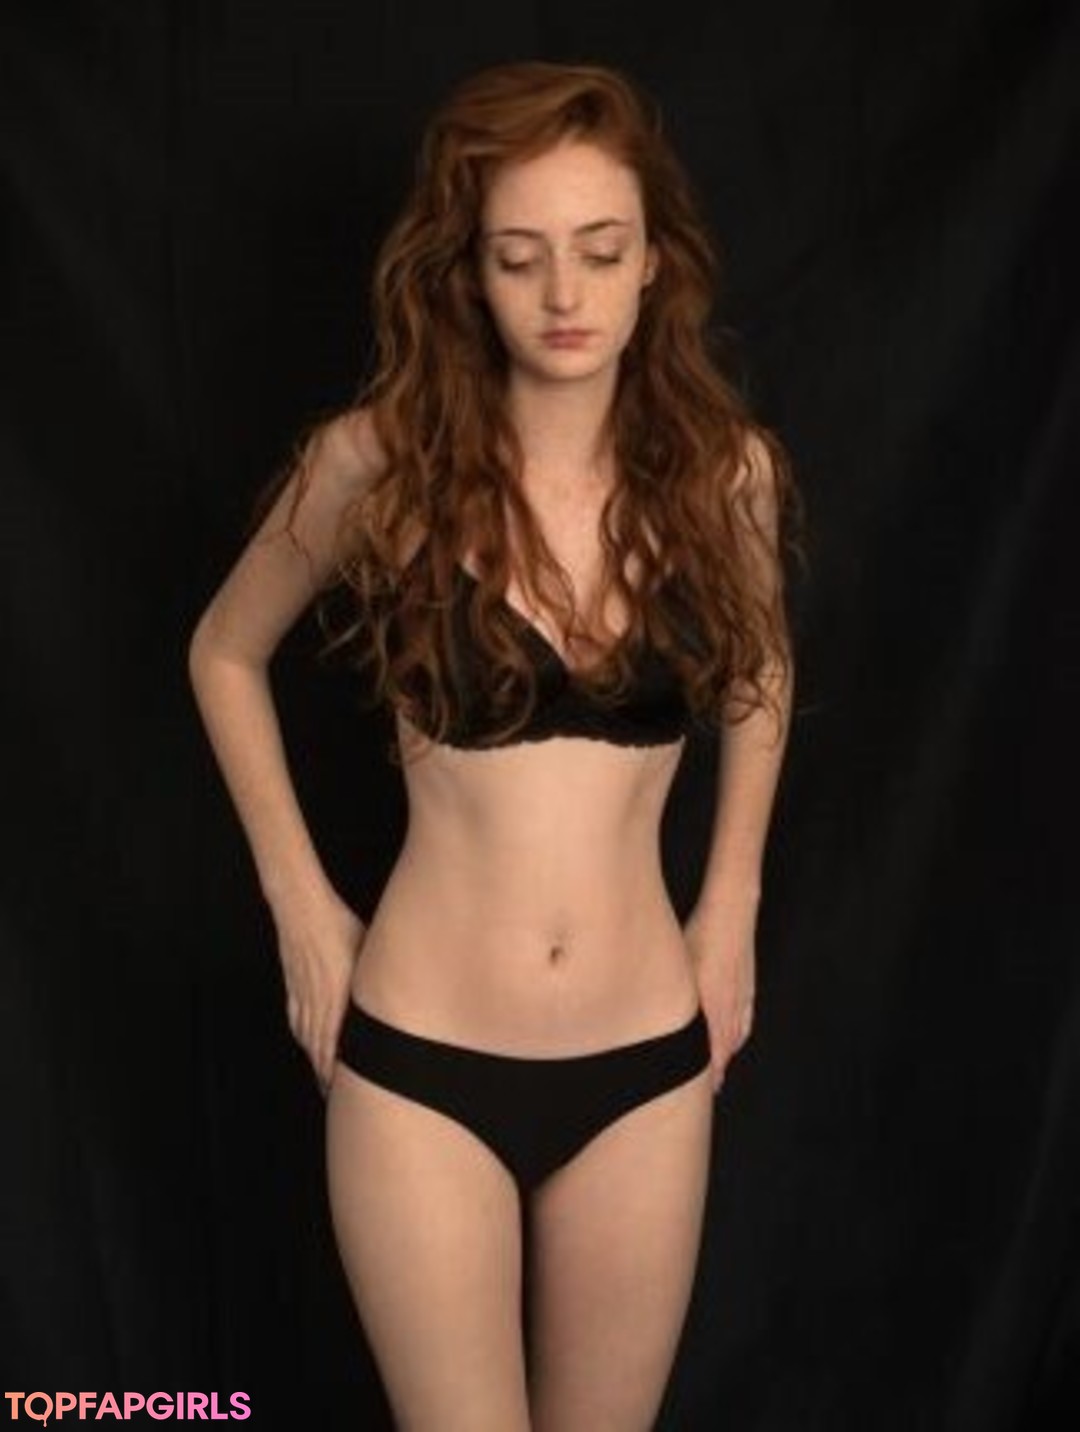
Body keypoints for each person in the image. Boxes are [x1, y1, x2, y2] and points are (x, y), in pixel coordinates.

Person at [188, 59, 795, 1432]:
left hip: (647, 1061)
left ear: (656, 263)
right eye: (521, 257)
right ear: (466, 273)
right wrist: (302, 908)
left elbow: (761, 669)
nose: (564, 294)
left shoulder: (727, 476)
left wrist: (732, 905)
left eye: (601, 251)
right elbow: (222, 652)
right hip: (420, 1063)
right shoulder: (376, 466)